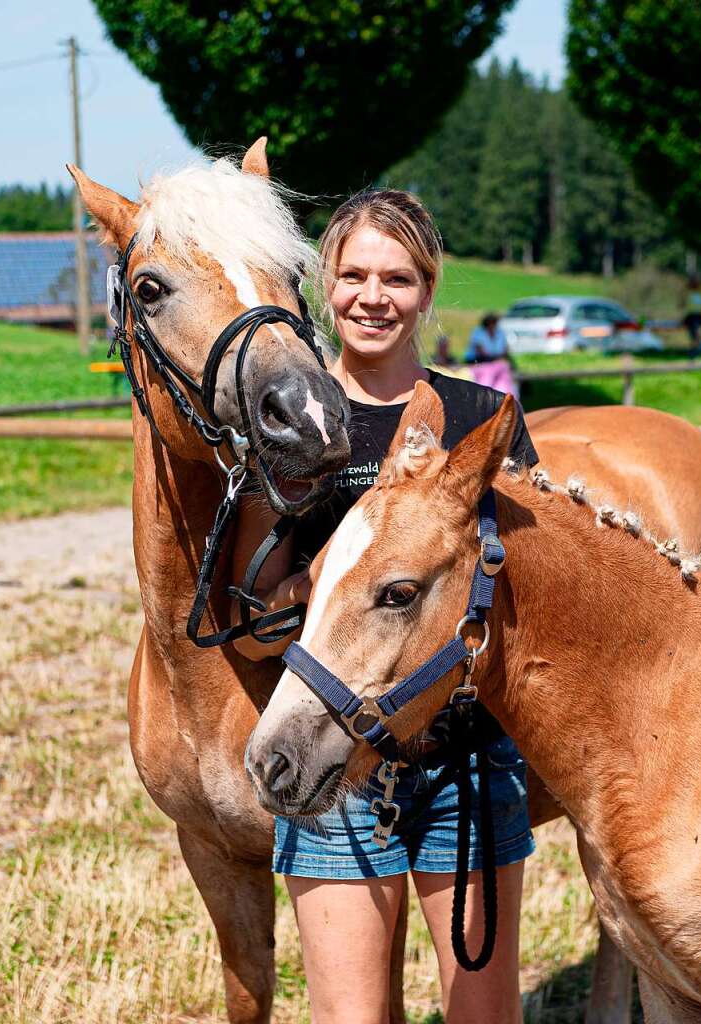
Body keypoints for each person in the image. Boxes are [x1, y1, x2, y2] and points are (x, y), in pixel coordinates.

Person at [232, 189, 538, 1024]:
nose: (374, 296)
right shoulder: (288, 429)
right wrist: (303, 593)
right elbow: (251, 624)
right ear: (326, 283)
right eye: (355, 274)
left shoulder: (483, 422)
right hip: (334, 757)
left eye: (397, 278)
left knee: (485, 1015)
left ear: (426, 291)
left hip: (463, 763)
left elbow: (523, 597)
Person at [464, 313, 519, 397]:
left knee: (505, 370)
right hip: (478, 361)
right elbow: (481, 351)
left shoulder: (500, 333)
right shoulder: (478, 333)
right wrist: (497, 358)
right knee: (488, 374)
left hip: (495, 361)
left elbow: (505, 349)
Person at [683, 275, 701, 356]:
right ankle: (693, 350)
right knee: (695, 334)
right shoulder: (687, 293)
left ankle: (700, 348)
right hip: (692, 316)